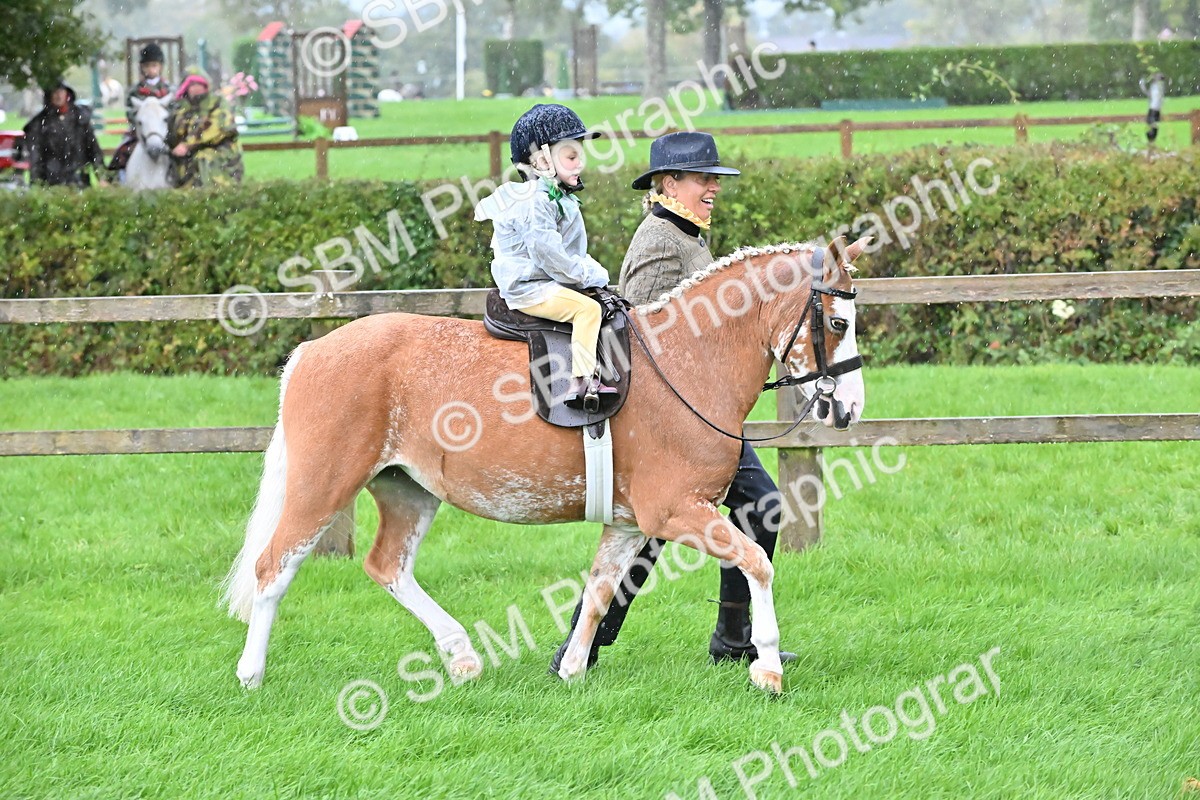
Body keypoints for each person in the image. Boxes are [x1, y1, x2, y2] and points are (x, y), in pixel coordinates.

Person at [549, 130, 796, 673]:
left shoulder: (688, 232)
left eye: (715, 179)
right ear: (667, 183)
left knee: (747, 508)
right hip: (666, 416)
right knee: (655, 526)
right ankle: (584, 645)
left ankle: (731, 637)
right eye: (702, 179)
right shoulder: (661, 239)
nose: (712, 188)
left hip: (696, 413)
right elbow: (641, 325)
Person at [474, 103, 617, 406]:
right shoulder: (536, 203)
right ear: (541, 160)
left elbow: (571, 253)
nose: (580, 164)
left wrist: (592, 273)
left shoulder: (556, 198)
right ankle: (581, 383)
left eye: (580, 155)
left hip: (543, 281)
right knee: (587, 310)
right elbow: (552, 257)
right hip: (530, 287)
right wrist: (589, 275)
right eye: (571, 156)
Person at [22, 79, 108, 188]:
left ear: (67, 94)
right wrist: (37, 184)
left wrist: (102, 176)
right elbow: (36, 158)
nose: (58, 96)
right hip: (52, 182)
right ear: (49, 96)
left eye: (61, 91)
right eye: (55, 92)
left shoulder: (80, 119)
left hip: (80, 180)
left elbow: (94, 150)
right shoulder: (39, 124)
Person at [167, 72, 243, 188]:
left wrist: (187, 144)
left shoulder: (218, 102)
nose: (196, 88)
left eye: (199, 84)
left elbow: (216, 127)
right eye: (191, 84)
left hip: (220, 151)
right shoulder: (180, 107)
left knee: (203, 158)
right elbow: (175, 131)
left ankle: (210, 195)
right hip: (187, 156)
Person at [109, 43, 174, 174]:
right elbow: (130, 112)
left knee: (177, 152)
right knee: (122, 151)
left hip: (163, 130)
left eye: (154, 65)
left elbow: (173, 110)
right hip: (140, 130)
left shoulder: (169, 89)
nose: (151, 70)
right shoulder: (135, 90)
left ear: (160, 67)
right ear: (142, 68)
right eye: (147, 66)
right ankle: (116, 178)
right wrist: (141, 122)